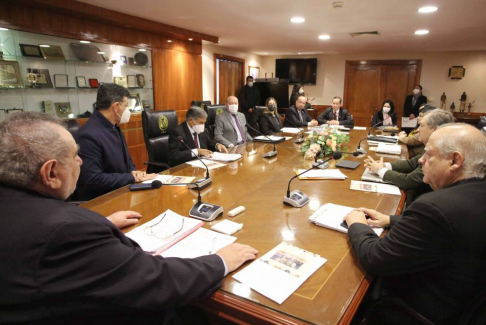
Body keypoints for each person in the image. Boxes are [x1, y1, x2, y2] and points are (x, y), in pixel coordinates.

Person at [0, 112, 258, 325]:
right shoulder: (67, 233)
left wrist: (101, 223)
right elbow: (155, 279)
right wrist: (220, 261)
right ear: (51, 172)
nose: (80, 160)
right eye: (74, 155)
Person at [344, 123, 486, 324]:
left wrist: (356, 224)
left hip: (420, 308)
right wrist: (390, 219)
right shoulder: (473, 194)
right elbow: (453, 225)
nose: (421, 159)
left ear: (455, 160)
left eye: (428, 154)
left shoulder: (433, 207)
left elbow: (375, 258)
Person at [75, 83, 155, 201]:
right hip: (102, 201)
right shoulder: (88, 135)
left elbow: (126, 160)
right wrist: (130, 178)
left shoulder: (113, 127)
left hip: (121, 192)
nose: (127, 111)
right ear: (116, 106)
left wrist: (133, 171)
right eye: (126, 106)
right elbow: (93, 179)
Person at [365, 109, 455, 205]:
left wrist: (380, 170)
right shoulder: (434, 147)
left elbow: (408, 181)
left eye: (421, 125)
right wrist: (384, 165)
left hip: (422, 203)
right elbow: (411, 164)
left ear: (435, 130)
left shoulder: (441, 153)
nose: (417, 129)